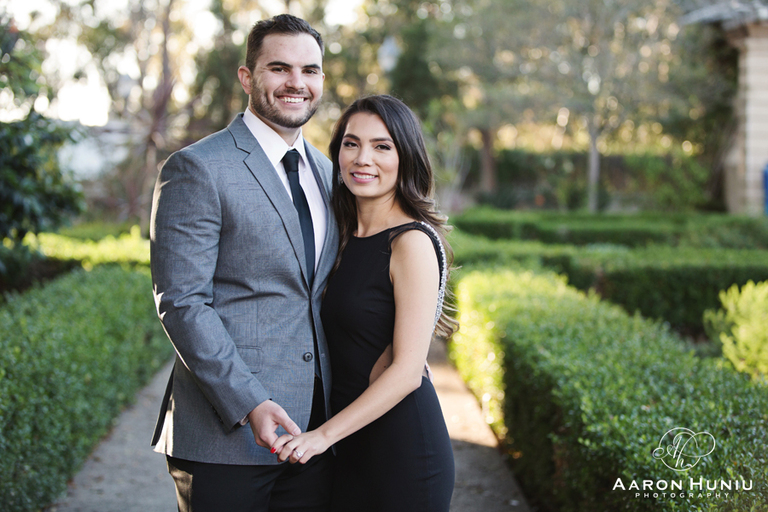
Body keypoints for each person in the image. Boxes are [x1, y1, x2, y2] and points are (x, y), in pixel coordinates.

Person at [149, 14, 338, 512]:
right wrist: (250, 402)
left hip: (314, 434)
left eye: (310, 70)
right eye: (280, 68)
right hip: (224, 435)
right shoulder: (197, 168)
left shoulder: (328, 172)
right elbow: (183, 302)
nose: (297, 83)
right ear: (247, 76)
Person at [272, 95, 457, 511]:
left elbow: (408, 372)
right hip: (350, 446)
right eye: (351, 143)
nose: (363, 158)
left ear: (405, 157)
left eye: (382, 146)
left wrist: (322, 437)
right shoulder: (337, 234)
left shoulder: (410, 243)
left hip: (401, 450)